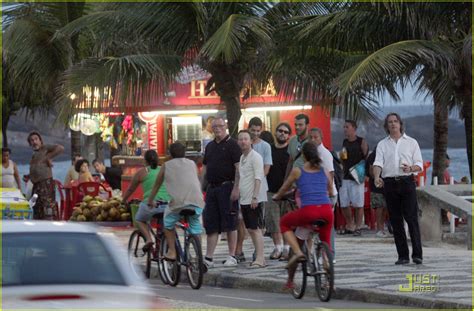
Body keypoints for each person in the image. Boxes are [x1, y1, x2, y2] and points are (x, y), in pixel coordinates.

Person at [273, 141, 334, 289]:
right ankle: (328, 276)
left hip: (308, 212)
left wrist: (277, 196)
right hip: (326, 211)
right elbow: (331, 192)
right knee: (326, 243)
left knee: (284, 223)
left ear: (304, 156)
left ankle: (298, 254)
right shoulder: (325, 170)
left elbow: (284, 188)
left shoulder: (297, 170)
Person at [373, 113, 423, 265]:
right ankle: (402, 256)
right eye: (390, 122)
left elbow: (419, 164)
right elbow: (378, 163)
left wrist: (410, 168)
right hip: (389, 183)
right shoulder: (382, 144)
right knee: (395, 220)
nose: (393, 124)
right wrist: (376, 177)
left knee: (411, 218)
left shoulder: (412, 142)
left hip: (407, 181)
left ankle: (417, 254)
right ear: (386, 126)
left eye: (395, 121)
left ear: (401, 124)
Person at [147, 143, 204, 260]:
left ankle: (172, 251)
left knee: (167, 223)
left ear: (170, 154)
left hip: (178, 204)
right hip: (197, 201)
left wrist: (150, 200)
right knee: (196, 228)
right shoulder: (192, 164)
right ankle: (199, 256)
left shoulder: (166, 165)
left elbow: (157, 185)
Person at [201, 116, 241, 268]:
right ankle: (209, 257)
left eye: (220, 126)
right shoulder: (210, 146)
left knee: (230, 223)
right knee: (211, 223)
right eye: (215, 126)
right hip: (212, 188)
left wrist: (236, 188)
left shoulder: (232, 145)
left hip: (227, 187)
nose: (217, 128)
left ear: (225, 127)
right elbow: (204, 169)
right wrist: (200, 187)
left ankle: (232, 255)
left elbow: (238, 168)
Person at [235, 117, 272, 263]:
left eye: (246, 139)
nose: (243, 141)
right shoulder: (242, 157)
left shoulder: (256, 157)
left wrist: (255, 197)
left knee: (255, 229)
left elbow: (259, 177)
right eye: (241, 139)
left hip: (254, 198)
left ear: (250, 141)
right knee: (250, 229)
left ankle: (261, 258)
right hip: (244, 198)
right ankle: (259, 257)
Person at [123, 150, 171, 250]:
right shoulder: (163, 170)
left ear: (145, 161)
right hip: (167, 204)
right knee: (164, 224)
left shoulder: (141, 172)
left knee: (139, 219)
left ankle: (149, 239)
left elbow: (131, 189)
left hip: (151, 204)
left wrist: (123, 200)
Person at [266, 123, 291, 260]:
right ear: (275, 133)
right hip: (271, 191)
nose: (282, 133)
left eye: (286, 132)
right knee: (273, 222)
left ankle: (287, 249)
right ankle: (278, 247)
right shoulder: (269, 149)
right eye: (280, 131)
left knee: (286, 222)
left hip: (287, 193)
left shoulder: (290, 151)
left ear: (288, 135)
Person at [339, 120, 368, 236]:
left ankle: (358, 226)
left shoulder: (361, 141)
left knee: (358, 203)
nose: (345, 129)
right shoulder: (345, 142)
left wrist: (366, 174)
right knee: (344, 203)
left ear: (354, 128)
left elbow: (366, 158)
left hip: (358, 175)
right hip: (345, 175)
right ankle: (350, 224)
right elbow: (342, 158)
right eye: (344, 127)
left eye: (347, 127)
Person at [27, 131, 64, 220]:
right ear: (30, 143)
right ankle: (38, 227)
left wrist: (49, 157)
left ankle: (49, 227)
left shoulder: (45, 148)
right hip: (36, 185)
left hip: (45, 184)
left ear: (40, 140)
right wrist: (30, 176)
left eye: (36, 139)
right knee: (37, 207)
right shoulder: (34, 154)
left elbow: (60, 148)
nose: (34, 142)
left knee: (47, 208)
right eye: (32, 140)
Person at [366, 146, 389, 238]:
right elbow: (371, 172)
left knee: (385, 207)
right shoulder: (373, 156)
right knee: (379, 207)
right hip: (377, 186)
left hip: (387, 185)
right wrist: (378, 178)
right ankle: (379, 228)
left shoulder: (386, 154)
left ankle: (383, 227)